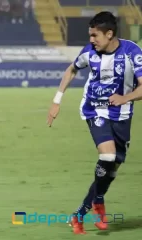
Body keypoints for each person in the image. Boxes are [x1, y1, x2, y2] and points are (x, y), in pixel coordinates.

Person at [47, 11, 142, 235]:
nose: (91, 40)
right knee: (107, 156)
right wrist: (56, 101)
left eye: (95, 35)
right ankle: (98, 201)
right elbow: (71, 70)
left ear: (109, 34)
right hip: (94, 108)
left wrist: (125, 98)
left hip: (122, 113)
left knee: (112, 169)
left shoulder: (132, 52)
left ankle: (80, 214)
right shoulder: (89, 52)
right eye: (90, 35)